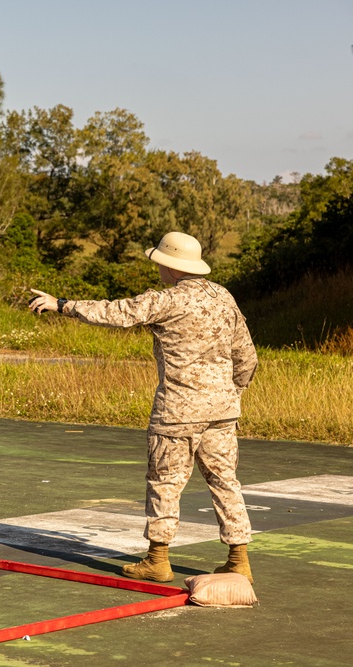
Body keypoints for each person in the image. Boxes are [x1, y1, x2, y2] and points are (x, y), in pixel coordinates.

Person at [28, 232, 258, 583]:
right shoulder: (223, 297)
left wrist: (61, 304)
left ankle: (158, 559)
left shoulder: (166, 301)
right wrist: (233, 391)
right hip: (223, 411)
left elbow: (115, 313)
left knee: (165, 481)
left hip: (178, 411)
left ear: (170, 266)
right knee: (226, 482)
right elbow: (246, 355)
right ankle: (239, 559)